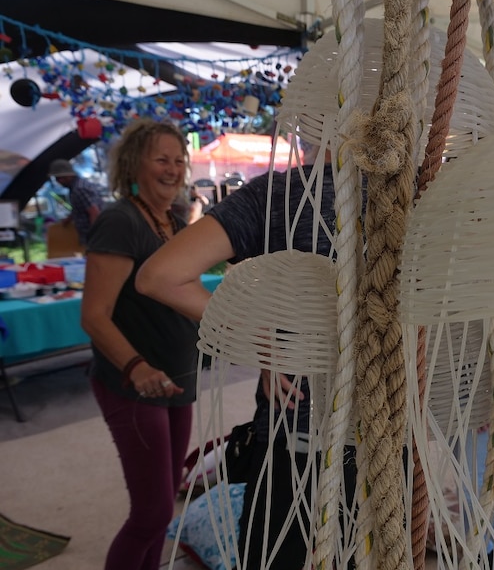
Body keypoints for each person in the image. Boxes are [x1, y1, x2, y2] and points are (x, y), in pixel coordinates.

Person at [136, 159, 357, 570]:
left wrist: (262, 339)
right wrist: (263, 340)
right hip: (384, 425)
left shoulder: (278, 193)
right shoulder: (421, 185)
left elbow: (161, 276)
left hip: (300, 427)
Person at [80, 119, 199, 570]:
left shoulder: (173, 220)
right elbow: (93, 315)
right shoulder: (119, 220)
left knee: (164, 508)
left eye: (178, 160)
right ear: (133, 164)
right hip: (135, 384)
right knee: (150, 514)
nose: (173, 169)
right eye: (161, 159)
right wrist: (137, 367)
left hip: (177, 380)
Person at [47, 158, 104, 245]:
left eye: (60, 178)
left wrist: (95, 237)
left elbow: (94, 212)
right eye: (57, 179)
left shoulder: (79, 189)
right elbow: (81, 207)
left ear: (68, 176)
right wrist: (69, 219)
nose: (59, 182)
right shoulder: (78, 186)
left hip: (93, 237)